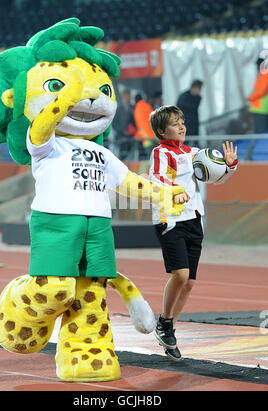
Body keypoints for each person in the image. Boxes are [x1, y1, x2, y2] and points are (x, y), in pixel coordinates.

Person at [149, 105, 238, 361]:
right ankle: (164, 323)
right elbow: (156, 177)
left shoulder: (195, 153)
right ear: (161, 130)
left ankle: (169, 330)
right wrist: (176, 190)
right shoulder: (161, 152)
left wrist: (229, 167)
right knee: (181, 274)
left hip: (194, 219)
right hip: (170, 218)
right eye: (175, 123)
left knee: (189, 283)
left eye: (182, 121)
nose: (182, 126)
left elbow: (216, 178)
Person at [112, 89, 136, 159]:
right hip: (121, 138)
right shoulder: (118, 109)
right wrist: (123, 131)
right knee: (122, 157)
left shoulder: (133, 108)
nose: (128, 98)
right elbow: (114, 124)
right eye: (127, 96)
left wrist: (133, 130)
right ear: (123, 97)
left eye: (129, 96)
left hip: (132, 138)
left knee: (132, 156)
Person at [176, 80, 203, 144]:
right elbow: (192, 108)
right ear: (195, 88)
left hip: (193, 126)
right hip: (185, 125)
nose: (200, 91)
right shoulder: (183, 97)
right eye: (199, 89)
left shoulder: (195, 97)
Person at [248, 57, 268, 133]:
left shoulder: (265, 75)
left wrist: (250, 98)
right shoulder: (262, 75)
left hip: (261, 109)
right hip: (259, 108)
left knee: (261, 133)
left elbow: (262, 91)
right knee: (259, 133)